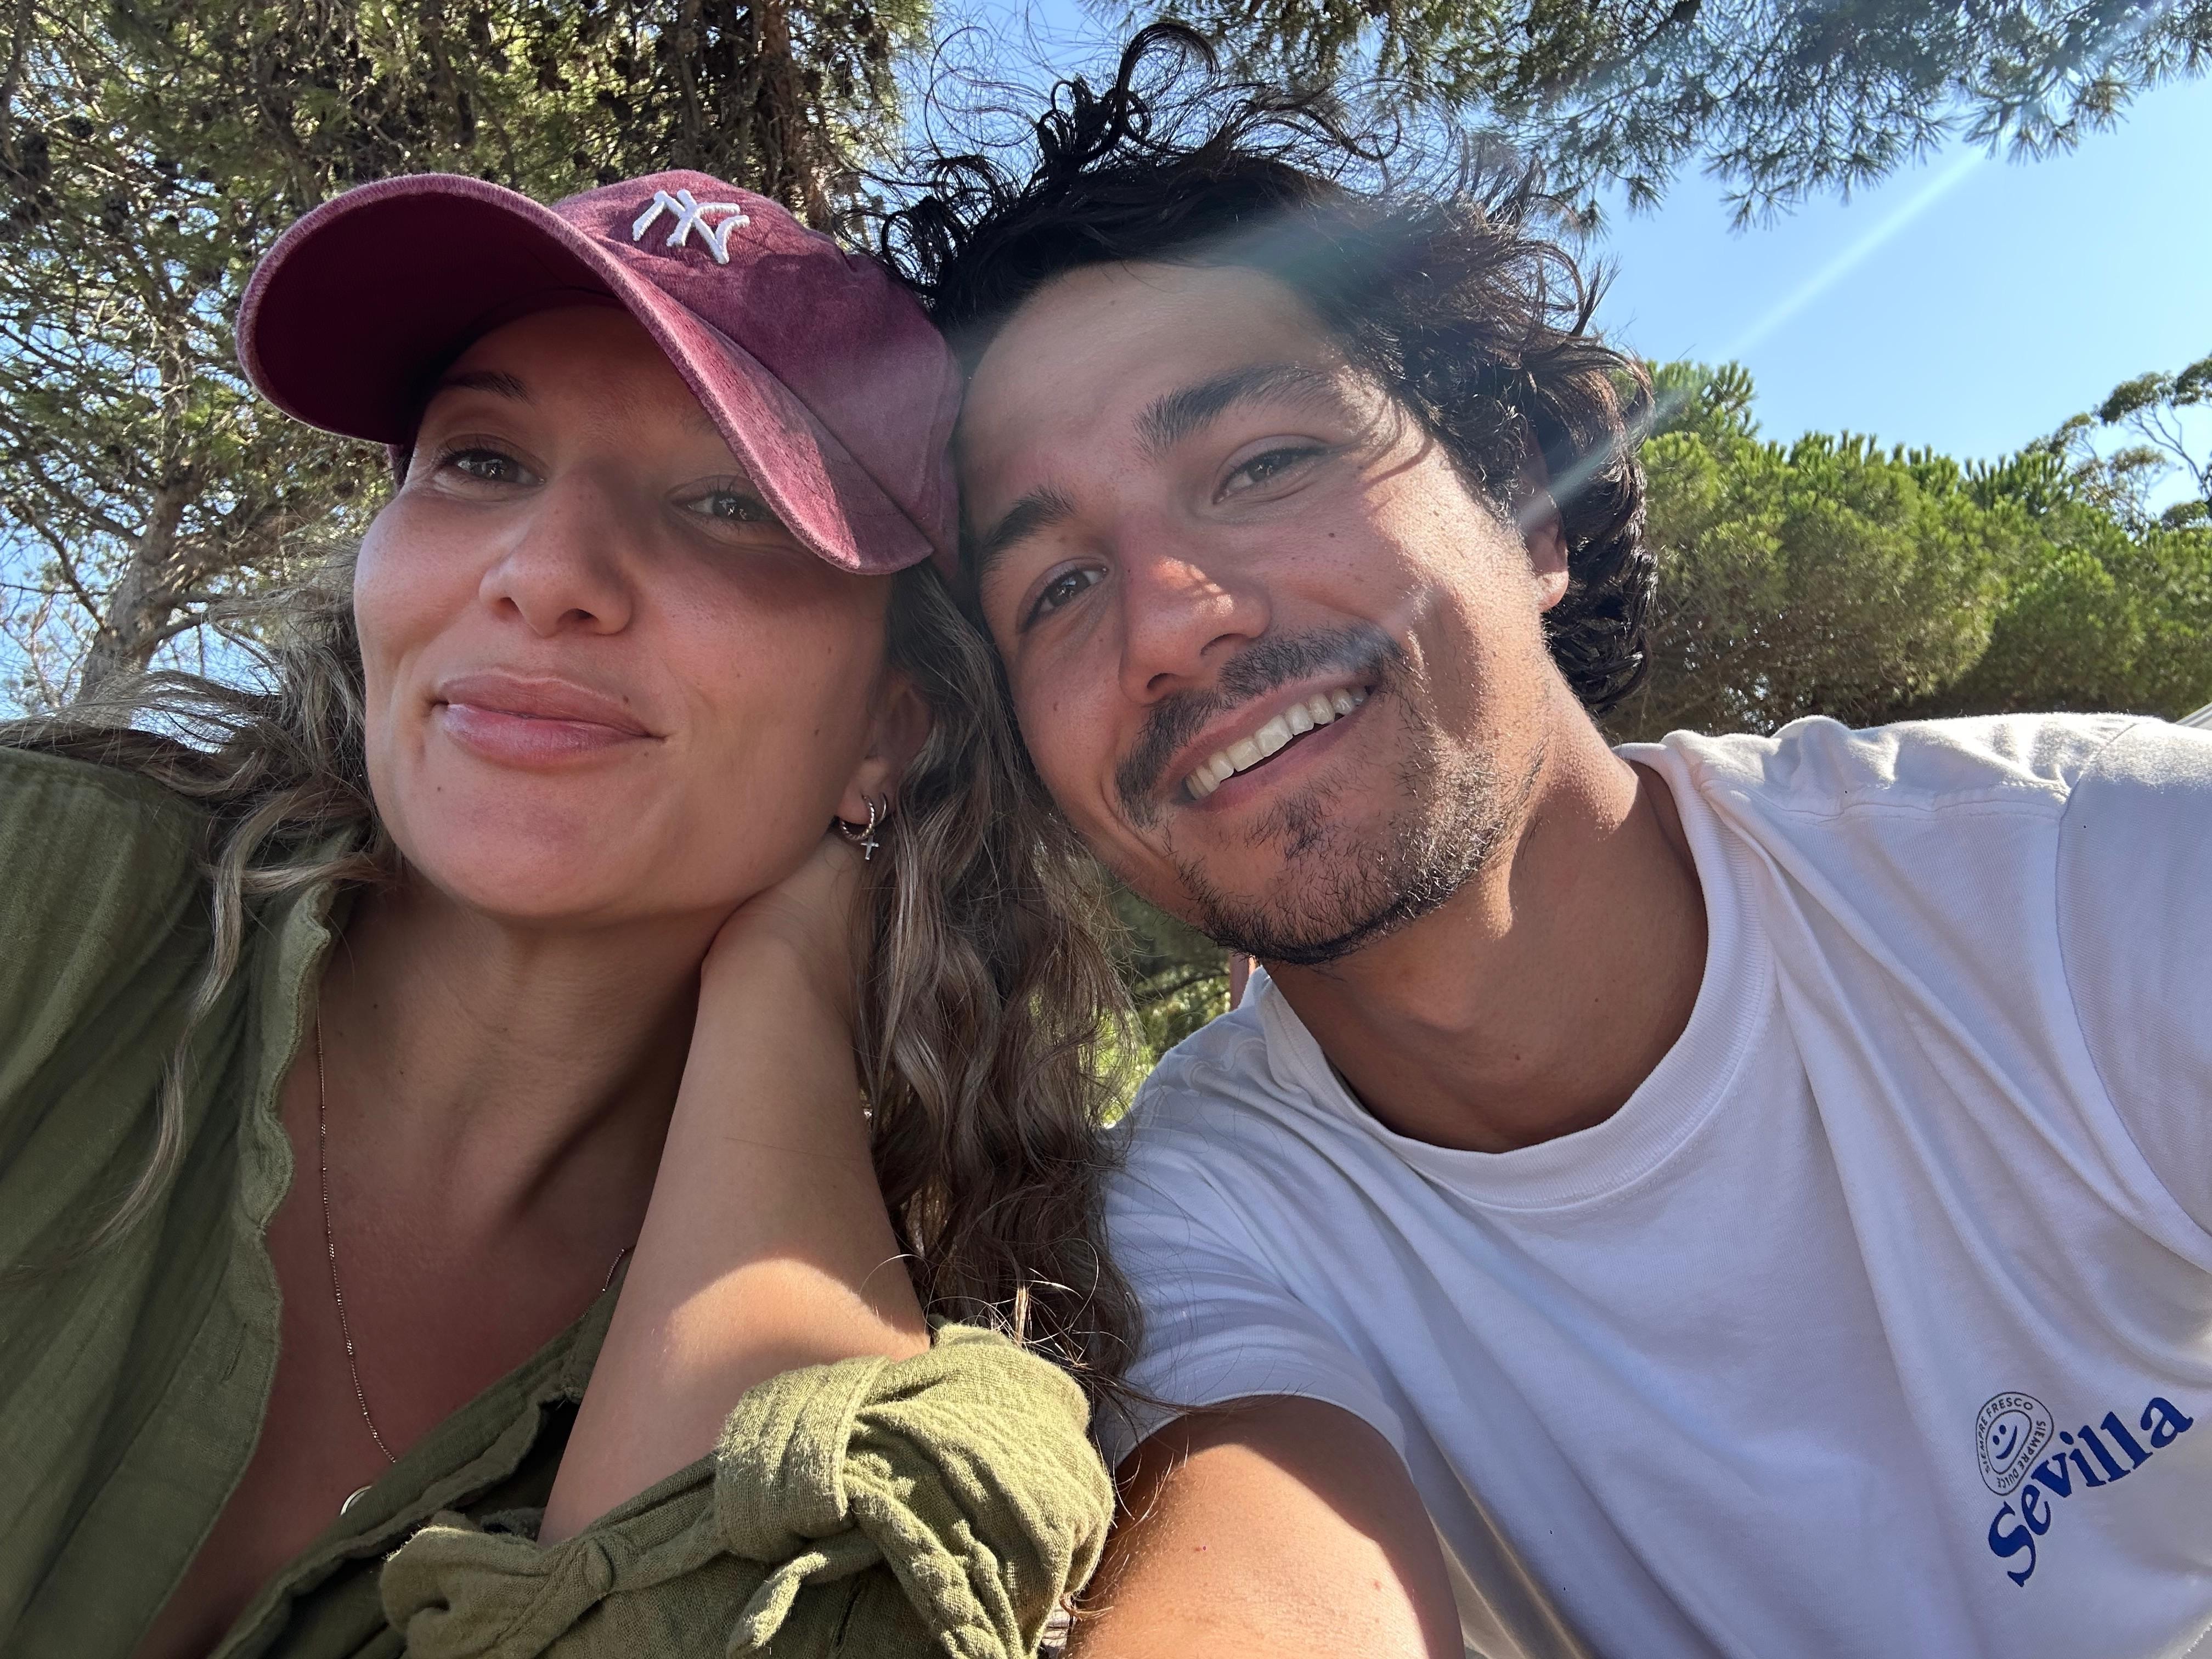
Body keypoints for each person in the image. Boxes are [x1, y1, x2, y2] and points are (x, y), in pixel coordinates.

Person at [885, 29, 2212, 1659]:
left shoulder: (2100, 879)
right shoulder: (1199, 1225)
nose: (1167, 620)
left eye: (1262, 464)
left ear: (1524, 497)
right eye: (1057, 588)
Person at [0, 167, 1129, 1658]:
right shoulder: (44, 886)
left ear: (890, 733)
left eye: (728, 502)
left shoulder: (944, 1341)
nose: (547, 574)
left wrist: (784, 984)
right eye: (480, 459)